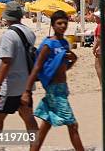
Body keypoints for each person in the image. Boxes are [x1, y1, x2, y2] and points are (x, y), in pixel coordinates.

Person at [21, 10, 84, 151]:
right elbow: (37, 68)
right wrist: (26, 91)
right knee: (72, 125)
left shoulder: (64, 43)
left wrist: (73, 60)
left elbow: (62, 67)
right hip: (54, 90)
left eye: (65, 23)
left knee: (45, 126)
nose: (62, 26)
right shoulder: (48, 44)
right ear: (53, 25)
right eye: (59, 23)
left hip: (62, 87)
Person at [0, 2, 39, 151]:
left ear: (6, 17)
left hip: (11, 86)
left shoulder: (8, 35)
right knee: (28, 117)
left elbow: (6, 62)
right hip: (26, 84)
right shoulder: (29, 32)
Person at [93, 13, 105, 85]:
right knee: (103, 65)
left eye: (96, 17)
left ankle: (102, 82)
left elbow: (99, 39)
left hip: (100, 48)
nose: (95, 19)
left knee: (98, 65)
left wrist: (94, 48)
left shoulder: (100, 26)